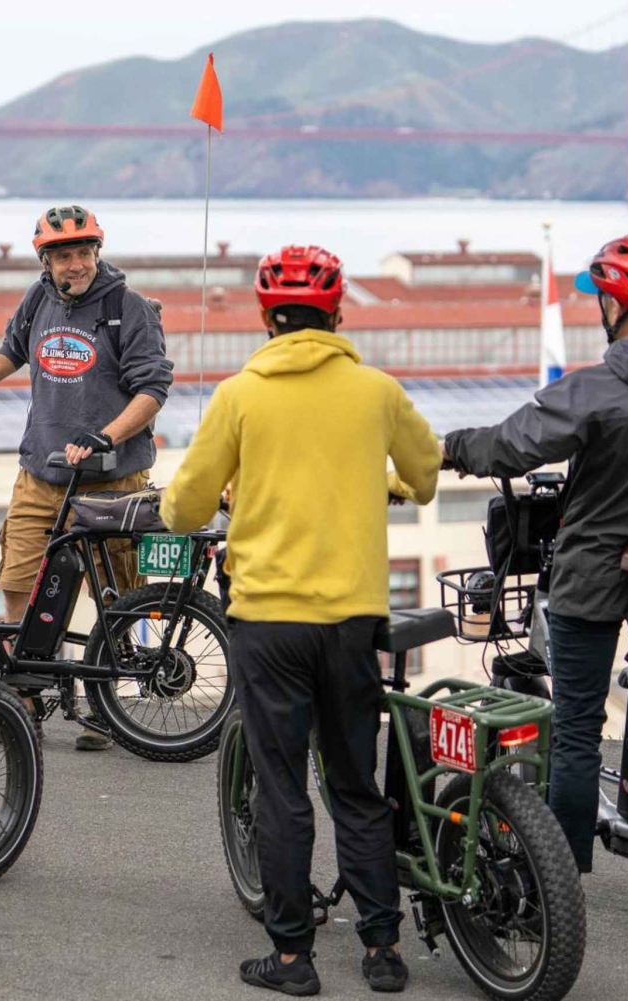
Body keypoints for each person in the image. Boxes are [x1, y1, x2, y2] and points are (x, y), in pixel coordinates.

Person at [161, 245, 440, 996]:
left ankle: (291, 958)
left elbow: (184, 506)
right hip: (351, 621)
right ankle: (383, 947)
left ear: (266, 318)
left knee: (280, 785)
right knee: (355, 781)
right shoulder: (376, 390)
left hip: (267, 622)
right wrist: (372, 479)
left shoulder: (239, 395)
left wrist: (227, 495)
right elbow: (424, 474)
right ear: (339, 313)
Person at [442, 233, 628, 875]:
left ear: (617, 305)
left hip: (594, 571)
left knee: (575, 727)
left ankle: (560, 880)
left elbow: (508, 447)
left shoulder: (597, 388)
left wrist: (449, 447)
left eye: (602, 297)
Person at [0, 205, 173, 750]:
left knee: (118, 595)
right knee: (18, 581)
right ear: (45, 260)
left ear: (97, 252)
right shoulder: (38, 298)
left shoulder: (129, 308)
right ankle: (24, 698)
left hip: (112, 478)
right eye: (63, 256)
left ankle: (105, 705)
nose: (75, 265)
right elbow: (14, 349)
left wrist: (107, 435)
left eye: (83, 253)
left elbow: (152, 391)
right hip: (42, 471)